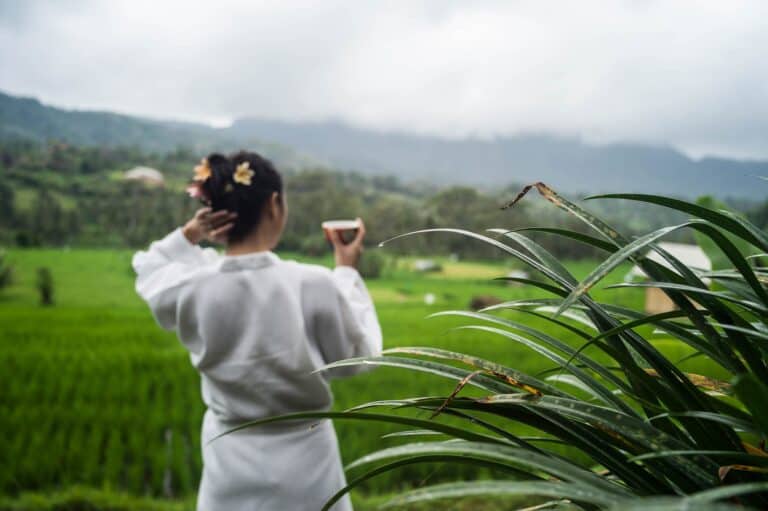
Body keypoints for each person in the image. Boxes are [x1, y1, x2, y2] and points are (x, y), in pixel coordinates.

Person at [132, 151, 382, 511]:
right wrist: (346, 272)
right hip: (307, 465)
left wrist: (191, 232)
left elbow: (150, 269)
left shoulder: (190, 285)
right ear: (274, 203)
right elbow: (359, 357)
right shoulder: (312, 284)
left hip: (228, 459)